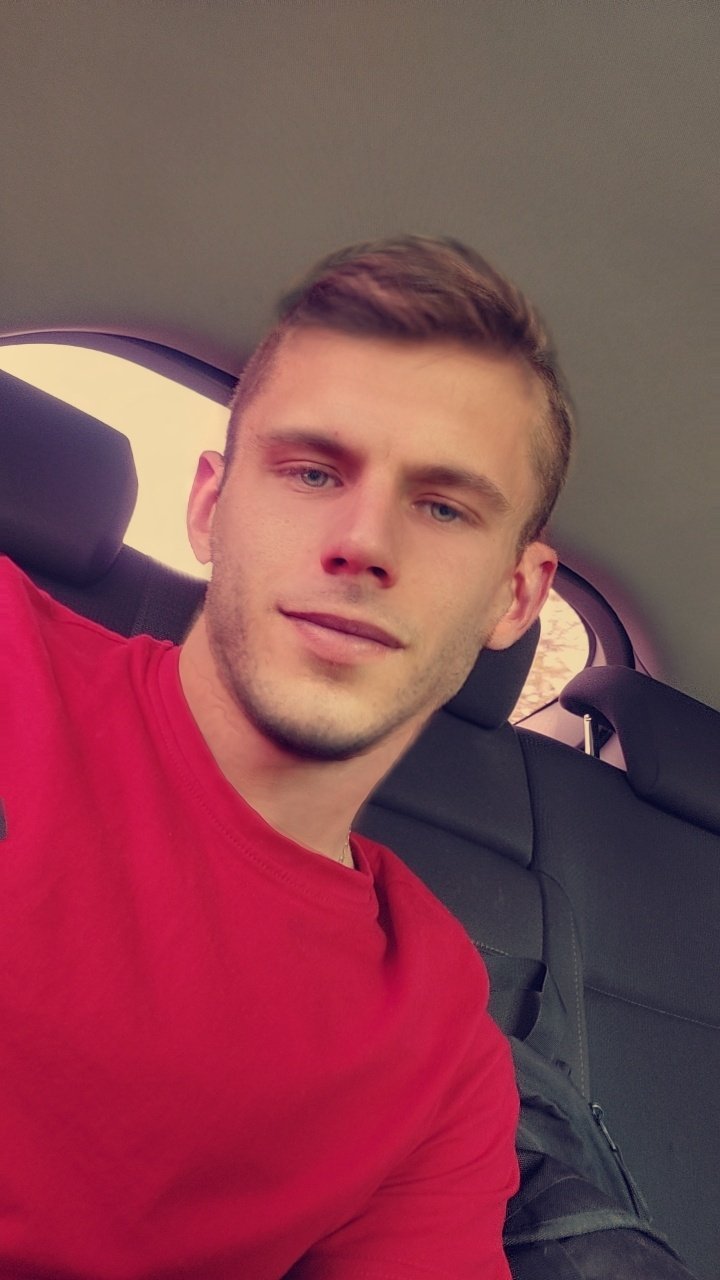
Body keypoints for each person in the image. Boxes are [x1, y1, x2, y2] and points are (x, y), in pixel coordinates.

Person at [0, 235, 572, 1279]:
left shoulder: (443, 1037)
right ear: (209, 506)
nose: (364, 541)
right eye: (312, 470)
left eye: (443, 506)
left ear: (516, 596)